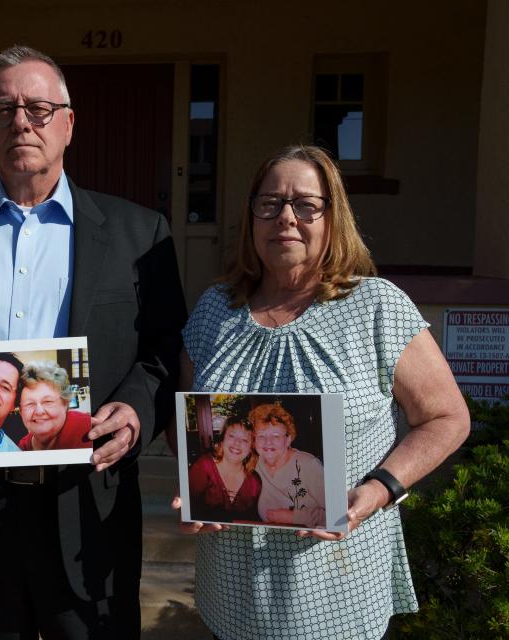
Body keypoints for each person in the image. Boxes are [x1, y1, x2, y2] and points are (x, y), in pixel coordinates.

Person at [0, 45, 186, 638]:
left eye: (39, 109)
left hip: (85, 506)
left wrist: (135, 409)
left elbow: (161, 350)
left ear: (69, 124)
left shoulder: (138, 233)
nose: (21, 122)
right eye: (3, 109)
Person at [172, 144, 469, 639]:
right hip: (231, 588)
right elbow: (187, 420)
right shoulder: (214, 311)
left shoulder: (375, 306)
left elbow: (447, 417)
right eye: (269, 204)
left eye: (305, 205)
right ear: (251, 217)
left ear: (333, 218)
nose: (285, 218)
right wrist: (193, 485)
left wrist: (379, 490)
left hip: (337, 585)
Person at [249, 402, 325, 527]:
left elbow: (337, 514)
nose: (268, 442)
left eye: (276, 436)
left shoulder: (308, 465)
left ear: (288, 439)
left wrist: (294, 517)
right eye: (261, 436)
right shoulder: (255, 464)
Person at [186, 419, 261, 523]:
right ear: (222, 440)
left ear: (251, 448)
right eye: (232, 436)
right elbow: (186, 509)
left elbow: (252, 520)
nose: (237, 443)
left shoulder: (254, 482)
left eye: (244, 440)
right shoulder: (204, 467)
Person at [17, 360, 90, 451]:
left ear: (65, 404)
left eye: (48, 402)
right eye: (30, 404)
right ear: (21, 412)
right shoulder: (22, 448)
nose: (39, 411)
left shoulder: (87, 430)